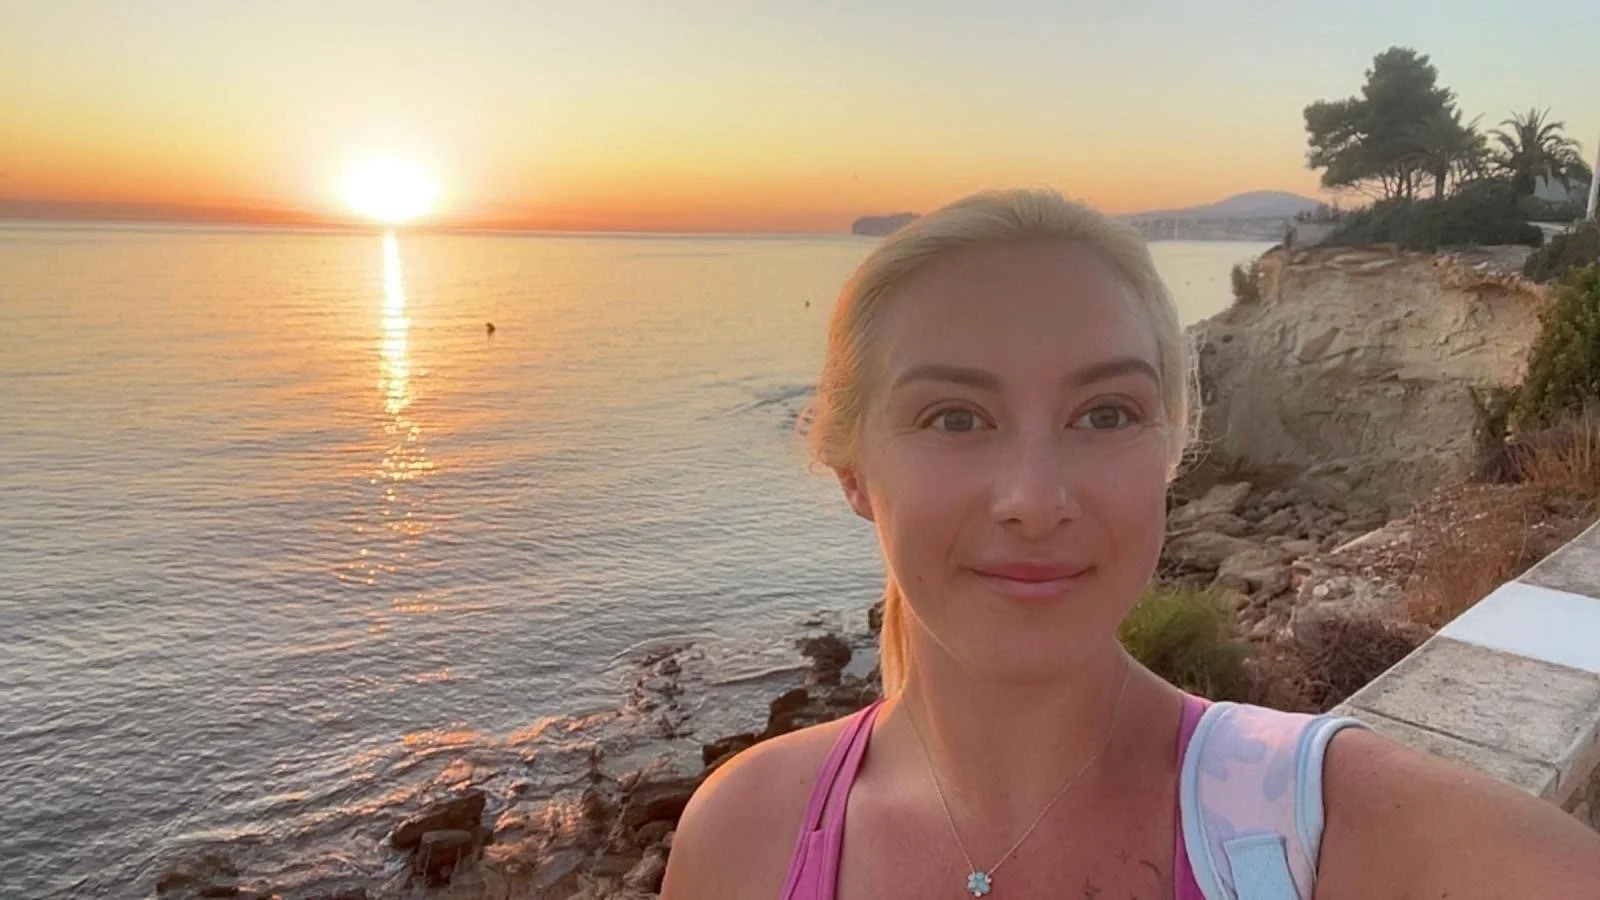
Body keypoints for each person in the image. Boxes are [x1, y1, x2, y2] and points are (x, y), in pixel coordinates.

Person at [661, 188, 1600, 899]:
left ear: (1172, 448)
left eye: (1105, 413)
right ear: (852, 471)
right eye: (954, 418)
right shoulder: (745, 837)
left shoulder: (1329, 827)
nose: (1036, 501)